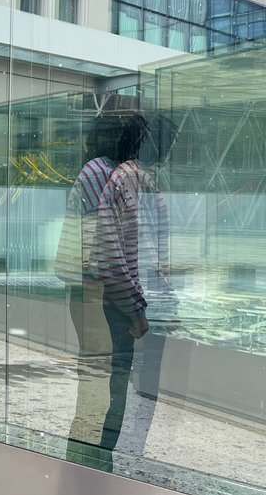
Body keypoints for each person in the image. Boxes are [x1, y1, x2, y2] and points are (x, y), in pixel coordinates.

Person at [89, 112, 179, 466]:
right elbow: (117, 257)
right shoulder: (129, 182)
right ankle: (116, 459)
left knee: (128, 384)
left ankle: (120, 458)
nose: (169, 150)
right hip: (133, 307)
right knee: (130, 384)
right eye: (167, 142)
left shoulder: (137, 181)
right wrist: (138, 310)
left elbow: (136, 254)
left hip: (138, 304)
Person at [55, 115, 122, 471]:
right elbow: (100, 239)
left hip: (87, 283)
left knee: (96, 377)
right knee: (97, 379)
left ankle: (88, 462)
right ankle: (87, 465)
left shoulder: (96, 170)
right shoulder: (100, 172)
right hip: (91, 285)